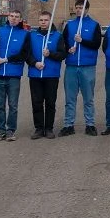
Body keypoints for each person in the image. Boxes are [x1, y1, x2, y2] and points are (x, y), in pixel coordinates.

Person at [61, 0, 102, 137]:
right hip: (71, 66)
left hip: (87, 66)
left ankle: (90, 125)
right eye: (77, 7)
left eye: (81, 7)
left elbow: (96, 44)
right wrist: (68, 49)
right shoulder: (70, 25)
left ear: (87, 9)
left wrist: (82, 41)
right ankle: (68, 125)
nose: (79, 10)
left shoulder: (94, 25)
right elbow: (63, 43)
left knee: (88, 98)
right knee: (70, 98)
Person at [0, 9, 30, 142]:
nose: (13, 18)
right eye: (11, 16)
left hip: (14, 75)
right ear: (8, 17)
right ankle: (1, 130)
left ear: (20, 19)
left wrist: (6, 60)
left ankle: (11, 130)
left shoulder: (25, 34)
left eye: (16, 17)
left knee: (13, 105)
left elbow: (23, 55)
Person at [26, 11, 67, 139]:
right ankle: (39, 128)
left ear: (50, 21)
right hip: (35, 74)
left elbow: (62, 55)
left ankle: (49, 128)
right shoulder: (32, 35)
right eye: (41, 20)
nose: (43, 22)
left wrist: (50, 54)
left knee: (50, 103)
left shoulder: (58, 36)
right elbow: (27, 54)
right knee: (36, 103)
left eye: (46, 20)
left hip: (51, 75)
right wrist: (35, 63)